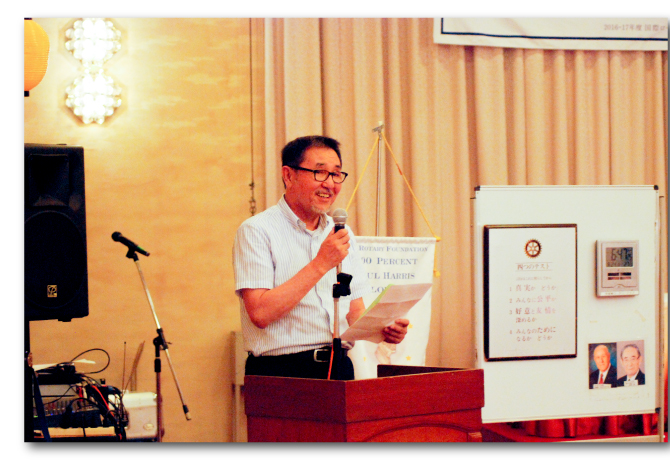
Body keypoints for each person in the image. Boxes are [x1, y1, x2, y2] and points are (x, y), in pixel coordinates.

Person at [233, 135, 409, 380]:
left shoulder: (341, 233)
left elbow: (354, 312)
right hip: (281, 371)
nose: (330, 184)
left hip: (339, 366)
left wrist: (383, 328)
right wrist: (321, 263)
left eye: (336, 174)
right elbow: (260, 314)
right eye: (320, 173)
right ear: (289, 175)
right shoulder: (257, 230)